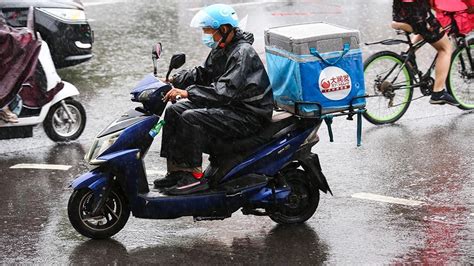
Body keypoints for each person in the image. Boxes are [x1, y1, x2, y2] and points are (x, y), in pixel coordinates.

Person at [153, 4, 274, 195]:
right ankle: (178, 172)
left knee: (190, 117)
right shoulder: (223, 47)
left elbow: (225, 90)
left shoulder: (242, 53)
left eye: (208, 30)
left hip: (249, 114)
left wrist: (188, 93)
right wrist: (173, 80)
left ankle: (193, 177)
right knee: (174, 111)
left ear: (224, 29)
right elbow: (204, 73)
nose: (205, 35)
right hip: (233, 107)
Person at [391, 0, 459, 106]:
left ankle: (407, 55)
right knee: (445, 48)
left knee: (423, 31)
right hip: (418, 13)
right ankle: (438, 92)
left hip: (399, 13)